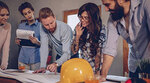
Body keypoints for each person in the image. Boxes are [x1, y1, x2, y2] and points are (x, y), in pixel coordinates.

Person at [101, 0, 150, 78]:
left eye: (108, 4)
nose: (106, 9)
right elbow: (110, 49)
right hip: (134, 67)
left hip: (148, 65)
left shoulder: (145, 4)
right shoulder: (113, 18)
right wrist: (102, 76)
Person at [71, 2, 107, 81]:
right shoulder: (78, 28)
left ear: (93, 18)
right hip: (84, 68)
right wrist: (77, 36)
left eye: (86, 18)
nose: (82, 20)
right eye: (81, 17)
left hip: (98, 69)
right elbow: (74, 51)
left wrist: (97, 73)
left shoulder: (101, 29)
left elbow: (99, 54)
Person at [33, 7, 73, 73]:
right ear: (42, 23)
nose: (50, 27)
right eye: (46, 25)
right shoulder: (42, 27)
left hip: (72, 56)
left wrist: (56, 63)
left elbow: (67, 53)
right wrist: (42, 67)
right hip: (59, 56)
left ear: (54, 18)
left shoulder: (65, 29)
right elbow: (44, 47)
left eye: (51, 23)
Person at [15, 2, 41, 70]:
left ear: (33, 11)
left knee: (35, 80)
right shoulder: (21, 26)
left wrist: (37, 42)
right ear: (24, 16)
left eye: (29, 12)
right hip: (22, 59)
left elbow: (47, 45)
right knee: (22, 80)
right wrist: (18, 42)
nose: (28, 15)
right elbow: (21, 44)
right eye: (25, 14)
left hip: (36, 60)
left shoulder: (41, 26)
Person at [0, 1, 11, 70]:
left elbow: (6, 47)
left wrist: (4, 65)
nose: (6, 17)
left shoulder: (8, 26)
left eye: (7, 14)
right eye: (2, 15)